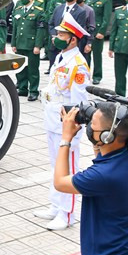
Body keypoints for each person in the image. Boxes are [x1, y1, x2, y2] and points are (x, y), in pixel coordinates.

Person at [55, 104, 128, 255]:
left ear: (107, 136)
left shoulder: (103, 176)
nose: (89, 127)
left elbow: (60, 183)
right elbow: (104, 158)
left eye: (93, 125)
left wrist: (66, 138)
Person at [34, 12, 89, 230]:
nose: (56, 37)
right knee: (56, 166)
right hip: (53, 118)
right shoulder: (60, 57)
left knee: (68, 169)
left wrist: (72, 128)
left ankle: (67, 214)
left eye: (61, 34)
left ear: (73, 39)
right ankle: (56, 206)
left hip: (67, 124)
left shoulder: (78, 65)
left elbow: (78, 100)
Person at [11, 0, 46, 101]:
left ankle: (34, 91)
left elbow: (40, 30)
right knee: (20, 68)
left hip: (31, 45)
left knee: (33, 69)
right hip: (20, 43)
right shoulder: (19, 9)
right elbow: (15, 28)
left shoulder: (38, 12)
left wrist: (38, 45)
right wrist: (13, 44)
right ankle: (23, 88)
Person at [48, 0, 93, 66]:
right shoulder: (58, 8)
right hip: (55, 43)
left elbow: (78, 29)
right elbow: (51, 24)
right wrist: (54, 36)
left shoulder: (81, 11)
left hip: (68, 45)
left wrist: (65, 39)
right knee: (54, 68)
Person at [85, 0, 112, 84]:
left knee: (96, 55)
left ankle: (97, 76)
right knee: (86, 54)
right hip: (88, 31)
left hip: (97, 31)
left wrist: (102, 32)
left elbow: (107, 18)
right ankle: (85, 74)